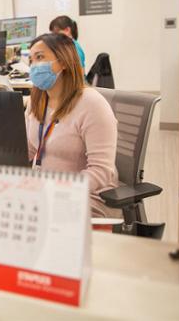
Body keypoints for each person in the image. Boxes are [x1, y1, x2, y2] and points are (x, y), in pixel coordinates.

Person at [26, 33, 119, 218]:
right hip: (47, 190)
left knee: (37, 222)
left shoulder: (92, 104)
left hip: (90, 196)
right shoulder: (36, 102)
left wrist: (60, 190)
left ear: (64, 61)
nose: (34, 66)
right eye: (30, 60)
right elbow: (28, 150)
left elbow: (101, 172)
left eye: (40, 57)